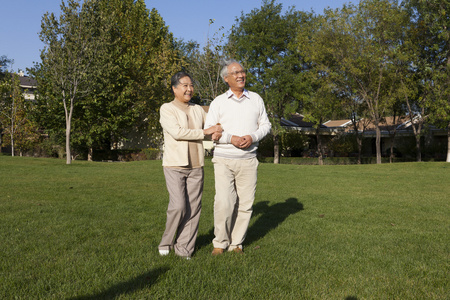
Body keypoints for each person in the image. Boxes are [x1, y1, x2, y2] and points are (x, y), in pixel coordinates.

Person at [204, 59, 271, 255]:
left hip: (249, 160)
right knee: (224, 202)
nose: (241, 75)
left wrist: (252, 136)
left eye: (242, 72)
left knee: (245, 204)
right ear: (226, 78)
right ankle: (220, 243)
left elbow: (265, 126)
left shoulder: (256, 99)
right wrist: (230, 138)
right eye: (235, 73)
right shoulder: (218, 102)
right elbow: (210, 131)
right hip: (223, 159)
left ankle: (236, 244)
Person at [158, 71, 222, 259]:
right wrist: (206, 131)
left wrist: (216, 131)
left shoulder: (197, 109)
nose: (189, 89)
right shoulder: (166, 108)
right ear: (174, 88)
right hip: (174, 165)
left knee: (194, 208)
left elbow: (212, 124)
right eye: (185, 85)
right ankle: (166, 241)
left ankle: (184, 248)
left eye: (191, 85)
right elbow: (178, 133)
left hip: (196, 165)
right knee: (178, 206)